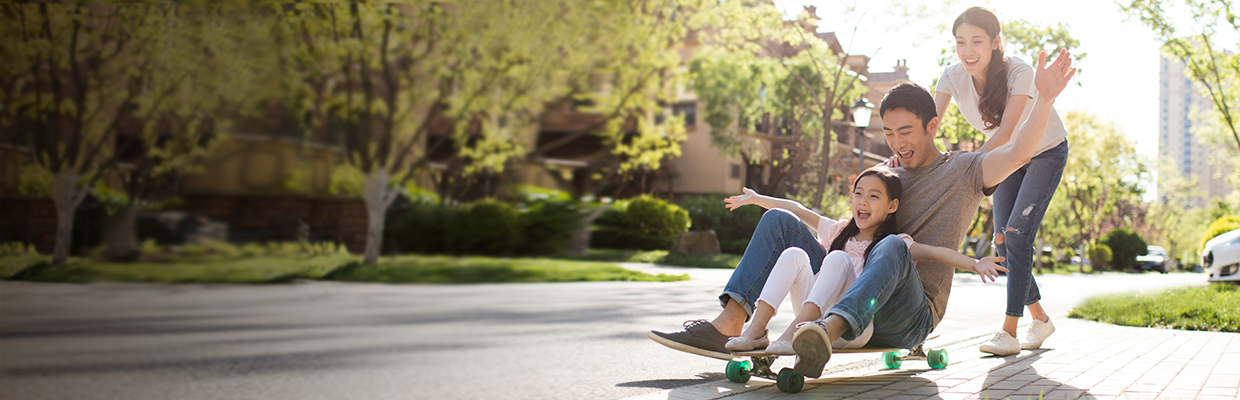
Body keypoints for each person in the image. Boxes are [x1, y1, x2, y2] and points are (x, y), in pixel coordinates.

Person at [650, 48, 1076, 379]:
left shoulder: (965, 170)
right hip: (858, 290)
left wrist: (1045, 98)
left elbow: (1020, 152)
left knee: (893, 246)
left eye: (905, 132)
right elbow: (846, 240)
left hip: (908, 313)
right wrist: (771, 202)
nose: (896, 143)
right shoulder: (884, 175)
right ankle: (735, 322)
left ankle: (824, 335)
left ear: (932, 126)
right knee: (781, 222)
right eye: (888, 133)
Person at [721, 167, 1007, 356]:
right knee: (796, 255)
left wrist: (974, 263)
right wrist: (759, 199)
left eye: (873, 196)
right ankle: (757, 330)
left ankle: (788, 336)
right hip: (813, 313)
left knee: (837, 260)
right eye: (858, 194)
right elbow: (798, 210)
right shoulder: (838, 231)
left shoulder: (893, 244)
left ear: (892, 206)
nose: (863, 201)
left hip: (853, 326)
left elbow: (934, 253)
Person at [933, 7, 1070, 356]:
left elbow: (1008, 132)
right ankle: (1040, 318)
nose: (968, 51)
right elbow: (929, 124)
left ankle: (1009, 331)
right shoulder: (951, 77)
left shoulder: (1019, 71)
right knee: (1000, 243)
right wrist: (907, 150)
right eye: (960, 42)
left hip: (1045, 152)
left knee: (1018, 237)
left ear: (995, 42)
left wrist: (964, 165)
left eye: (977, 41)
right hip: (1009, 159)